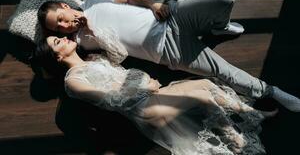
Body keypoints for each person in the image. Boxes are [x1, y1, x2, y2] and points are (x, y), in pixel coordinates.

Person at [37, 0, 300, 112]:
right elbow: (120, 57)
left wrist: (152, 4)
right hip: (169, 50)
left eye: (61, 18)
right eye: (58, 29)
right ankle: (272, 92)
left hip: (169, 17)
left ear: (64, 6)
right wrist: (94, 33)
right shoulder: (82, 43)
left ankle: (217, 26)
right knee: (224, 71)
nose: (64, 26)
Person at [33, 35, 279, 155]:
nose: (64, 38)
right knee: (203, 98)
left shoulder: (94, 58)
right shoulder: (73, 82)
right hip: (144, 110)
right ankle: (239, 140)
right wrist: (144, 86)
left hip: (152, 94)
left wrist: (145, 81)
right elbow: (110, 101)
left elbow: (120, 57)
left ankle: (252, 116)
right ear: (57, 56)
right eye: (57, 41)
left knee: (205, 84)